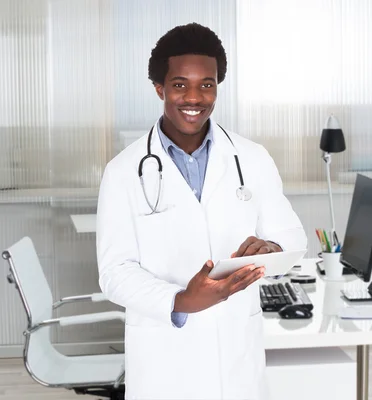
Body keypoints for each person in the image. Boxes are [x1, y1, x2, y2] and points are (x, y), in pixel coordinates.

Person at [96, 22, 307, 400]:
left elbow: (292, 237)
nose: (194, 97)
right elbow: (115, 273)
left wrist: (272, 249)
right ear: (159, 88)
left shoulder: (252, 158)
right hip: (165, 361)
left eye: (206, 84)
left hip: (236, 357)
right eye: (180, 84)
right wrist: (182, 301)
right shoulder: (122, 171)